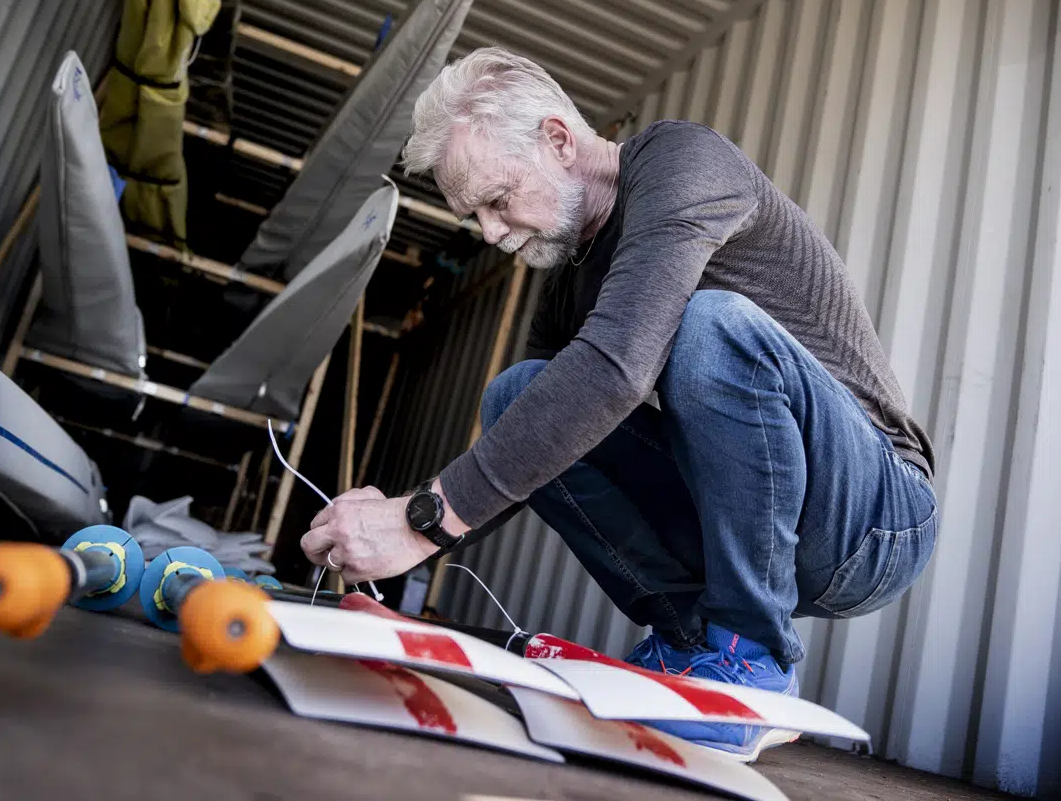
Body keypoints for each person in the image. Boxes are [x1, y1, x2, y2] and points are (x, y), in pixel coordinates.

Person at [301, 48, 938, 760]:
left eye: (497, 198)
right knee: (521, 394)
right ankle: (692, 640)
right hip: (757, 519)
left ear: (559, 139)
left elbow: (617, 368)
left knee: (710, 326)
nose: (489, 231)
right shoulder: (571, 280)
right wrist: (404, 525)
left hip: (877, 517)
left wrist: (422, 520)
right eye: (473, 214)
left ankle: (749, 660)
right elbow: (539, 440)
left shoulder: (682, 162)